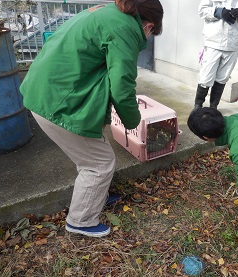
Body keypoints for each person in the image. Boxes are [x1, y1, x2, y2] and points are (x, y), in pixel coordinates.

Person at [20, 0, 164, 238]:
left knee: (90, 152)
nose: (147, 39)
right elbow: (121, 86)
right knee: (100, 163)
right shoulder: (126, 27)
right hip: (58, 101)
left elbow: (102, 74)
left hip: (47, 90)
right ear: (148, 26)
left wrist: (105, 116)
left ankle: (96, 197)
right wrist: (132, 121)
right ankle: (81, 220)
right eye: (150, 34)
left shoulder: (109, 12)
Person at [195, 0, 238, 110]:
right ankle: (198, 106)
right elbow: (202, 10)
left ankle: (213, 108)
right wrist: (219, 12)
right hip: (213, 40)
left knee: (223, 77)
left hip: (233, 42)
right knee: (206, 76)